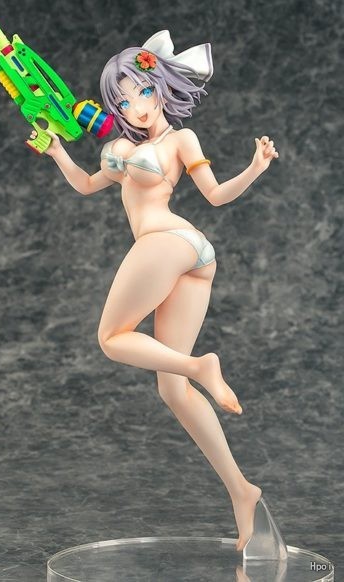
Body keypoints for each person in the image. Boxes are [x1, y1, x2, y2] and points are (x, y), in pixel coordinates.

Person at [29, 30, 279, 552]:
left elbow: (215, 195)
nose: (136, 106)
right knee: (171, 390)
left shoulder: (180, 141)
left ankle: (201, 366)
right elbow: (87, 184)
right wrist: (57, 151)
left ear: (161, 84)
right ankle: (242, 491)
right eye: (123, 100)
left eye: (142, 91)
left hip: (169, 240)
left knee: (111, 338)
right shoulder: (123, 148)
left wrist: (254, 169)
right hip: (194, 257)